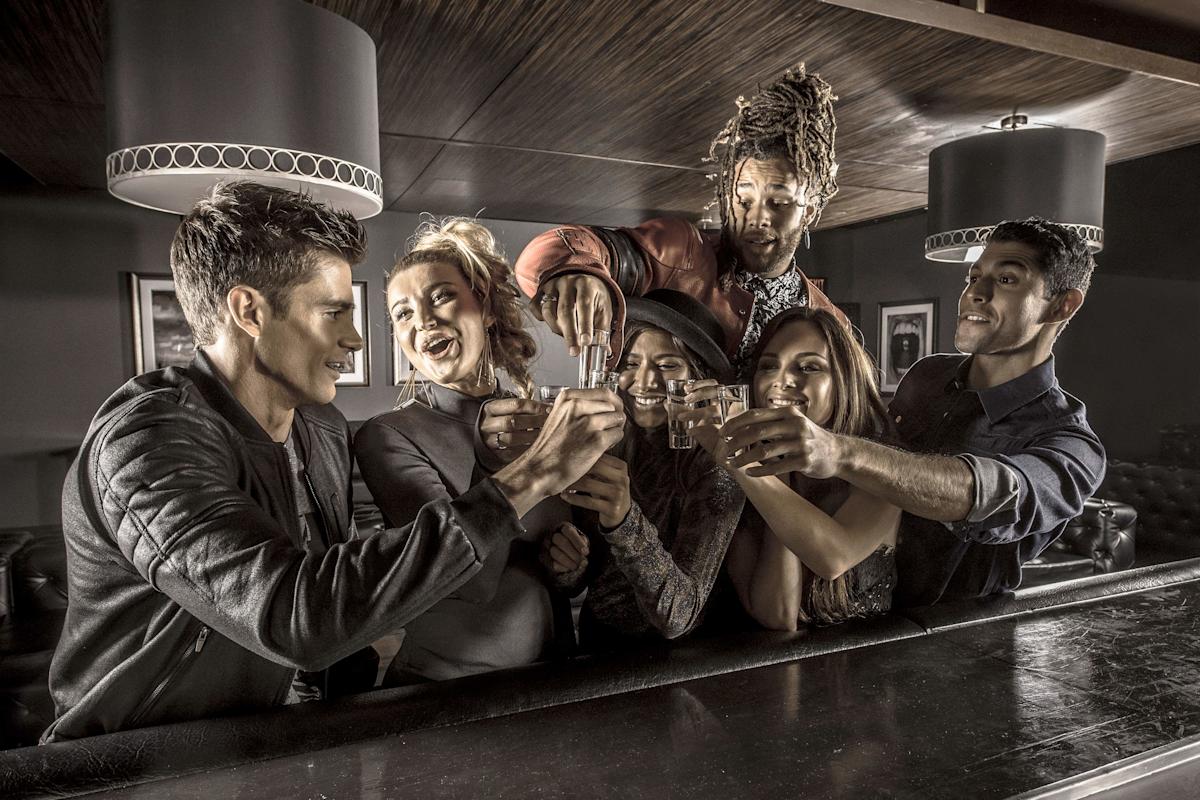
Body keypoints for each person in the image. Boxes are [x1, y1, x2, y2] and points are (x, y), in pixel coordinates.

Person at [44, 183, 624, 741]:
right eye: (333, 312)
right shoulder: (146, 441)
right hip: (133, 760)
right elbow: (294, 617)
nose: (356, 339)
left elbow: (338, 600)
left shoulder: (319, 428)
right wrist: (537, 471)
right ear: (249, 311)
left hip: (269, 741)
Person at [717, 218, 1106, 606]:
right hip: (859, 612)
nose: (975, 293)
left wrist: (837, 452)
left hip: (953, 631)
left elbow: (982, 494)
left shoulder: (1072, 445)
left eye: (1006, 279)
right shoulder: (928, 375)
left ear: (1062, 304)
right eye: (973, 277)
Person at [511, 63, 847, 381]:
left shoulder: (833, 323)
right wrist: (575, 270)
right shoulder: (683, 253)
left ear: (810, 208)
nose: (757, 218)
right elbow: (553, 251)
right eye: (743, 200)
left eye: (779, 203)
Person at [354, 218, 575, 683]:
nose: (424, 320)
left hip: (555, 682)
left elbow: (558, 570)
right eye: (403, 313)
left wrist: (574, 565)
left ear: (486, 309)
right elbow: (468, 582)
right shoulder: (387, 436)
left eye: (440, 297)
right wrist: (493, 467)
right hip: (446, 692)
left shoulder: (536, 419)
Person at [545, 289, 746, 649]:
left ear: (698, 376)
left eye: (667, 366)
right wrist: (568, 564)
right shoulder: (606, 444)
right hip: (595, 652)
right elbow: (590, 578)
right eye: (630, 364)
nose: (645, 381)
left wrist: (623, 521)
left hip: (681, 665)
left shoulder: (716, 466)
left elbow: (678, 616)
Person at [690, 308, 900, 631]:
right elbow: (779, 615)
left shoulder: (880, 463)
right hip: (786, 662)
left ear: (844, 380)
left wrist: (739, 461)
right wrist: (775, 468)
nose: (782, 380)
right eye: (768, 366)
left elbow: (833, 558)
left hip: (881, 658)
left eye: (808, 367)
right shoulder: (739, 483)